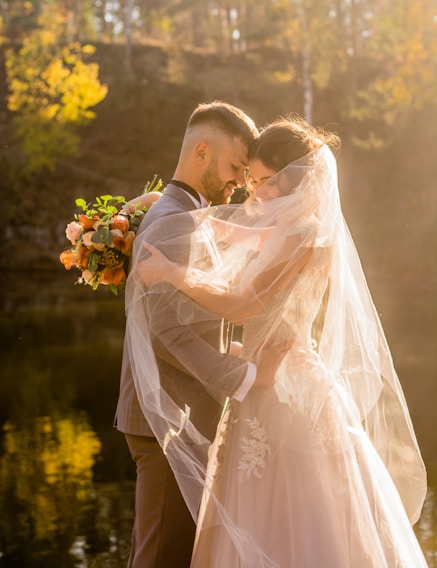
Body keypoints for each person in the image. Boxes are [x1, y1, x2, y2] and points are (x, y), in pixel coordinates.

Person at [136, 116, 429, 567]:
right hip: (259, 385)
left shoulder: (307, 234)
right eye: (252, 181)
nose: (257, 193)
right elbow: (216, 228)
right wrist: (154, 206)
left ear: (298, 179)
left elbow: (242, 305)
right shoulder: (281, 229)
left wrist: (173, 272)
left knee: (303, 517)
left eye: (266, 181)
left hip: (287, 387)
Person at [115, 101, 285, 568]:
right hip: (168, 415)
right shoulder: (174, 220)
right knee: (161, 557)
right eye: (234, 167)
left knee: (157, 550)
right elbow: (169, 332)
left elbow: (190, 315)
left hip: (175, 411)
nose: (240, 181)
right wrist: (249, 376)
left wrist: (231, 345)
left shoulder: (183, 211)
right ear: (202, 152)